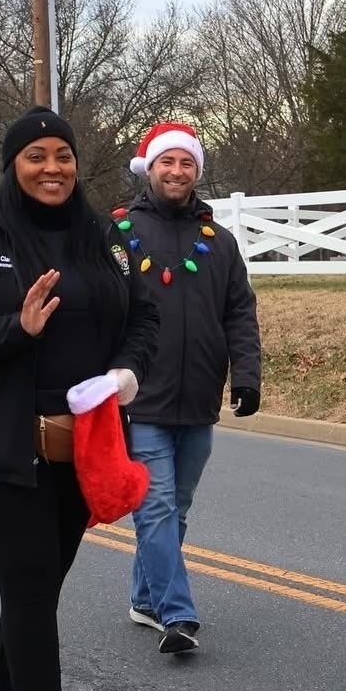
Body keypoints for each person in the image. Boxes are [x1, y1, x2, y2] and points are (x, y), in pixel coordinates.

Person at [0, 105, 160, 691]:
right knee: (29, 589)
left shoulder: (104, 237)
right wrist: (14, 330)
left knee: (38, 591)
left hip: (83, 449)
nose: (53, 168)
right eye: (36, 156)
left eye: (63, 156)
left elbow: (144, 314)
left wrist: (127, 371)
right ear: (12, 165)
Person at [118, 122, 262, 654]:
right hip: (140, 398)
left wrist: (246, 376)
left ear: (196, 172)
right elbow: (100, 312)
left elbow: (239, 314)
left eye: (186, 164)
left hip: (199, 397)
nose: (176, 172)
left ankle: (143, 597)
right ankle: (177, 615)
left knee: (176, 507)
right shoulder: (118, 234)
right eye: (166, 162)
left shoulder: (218, 243)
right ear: (149, 168)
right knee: (154, 506)